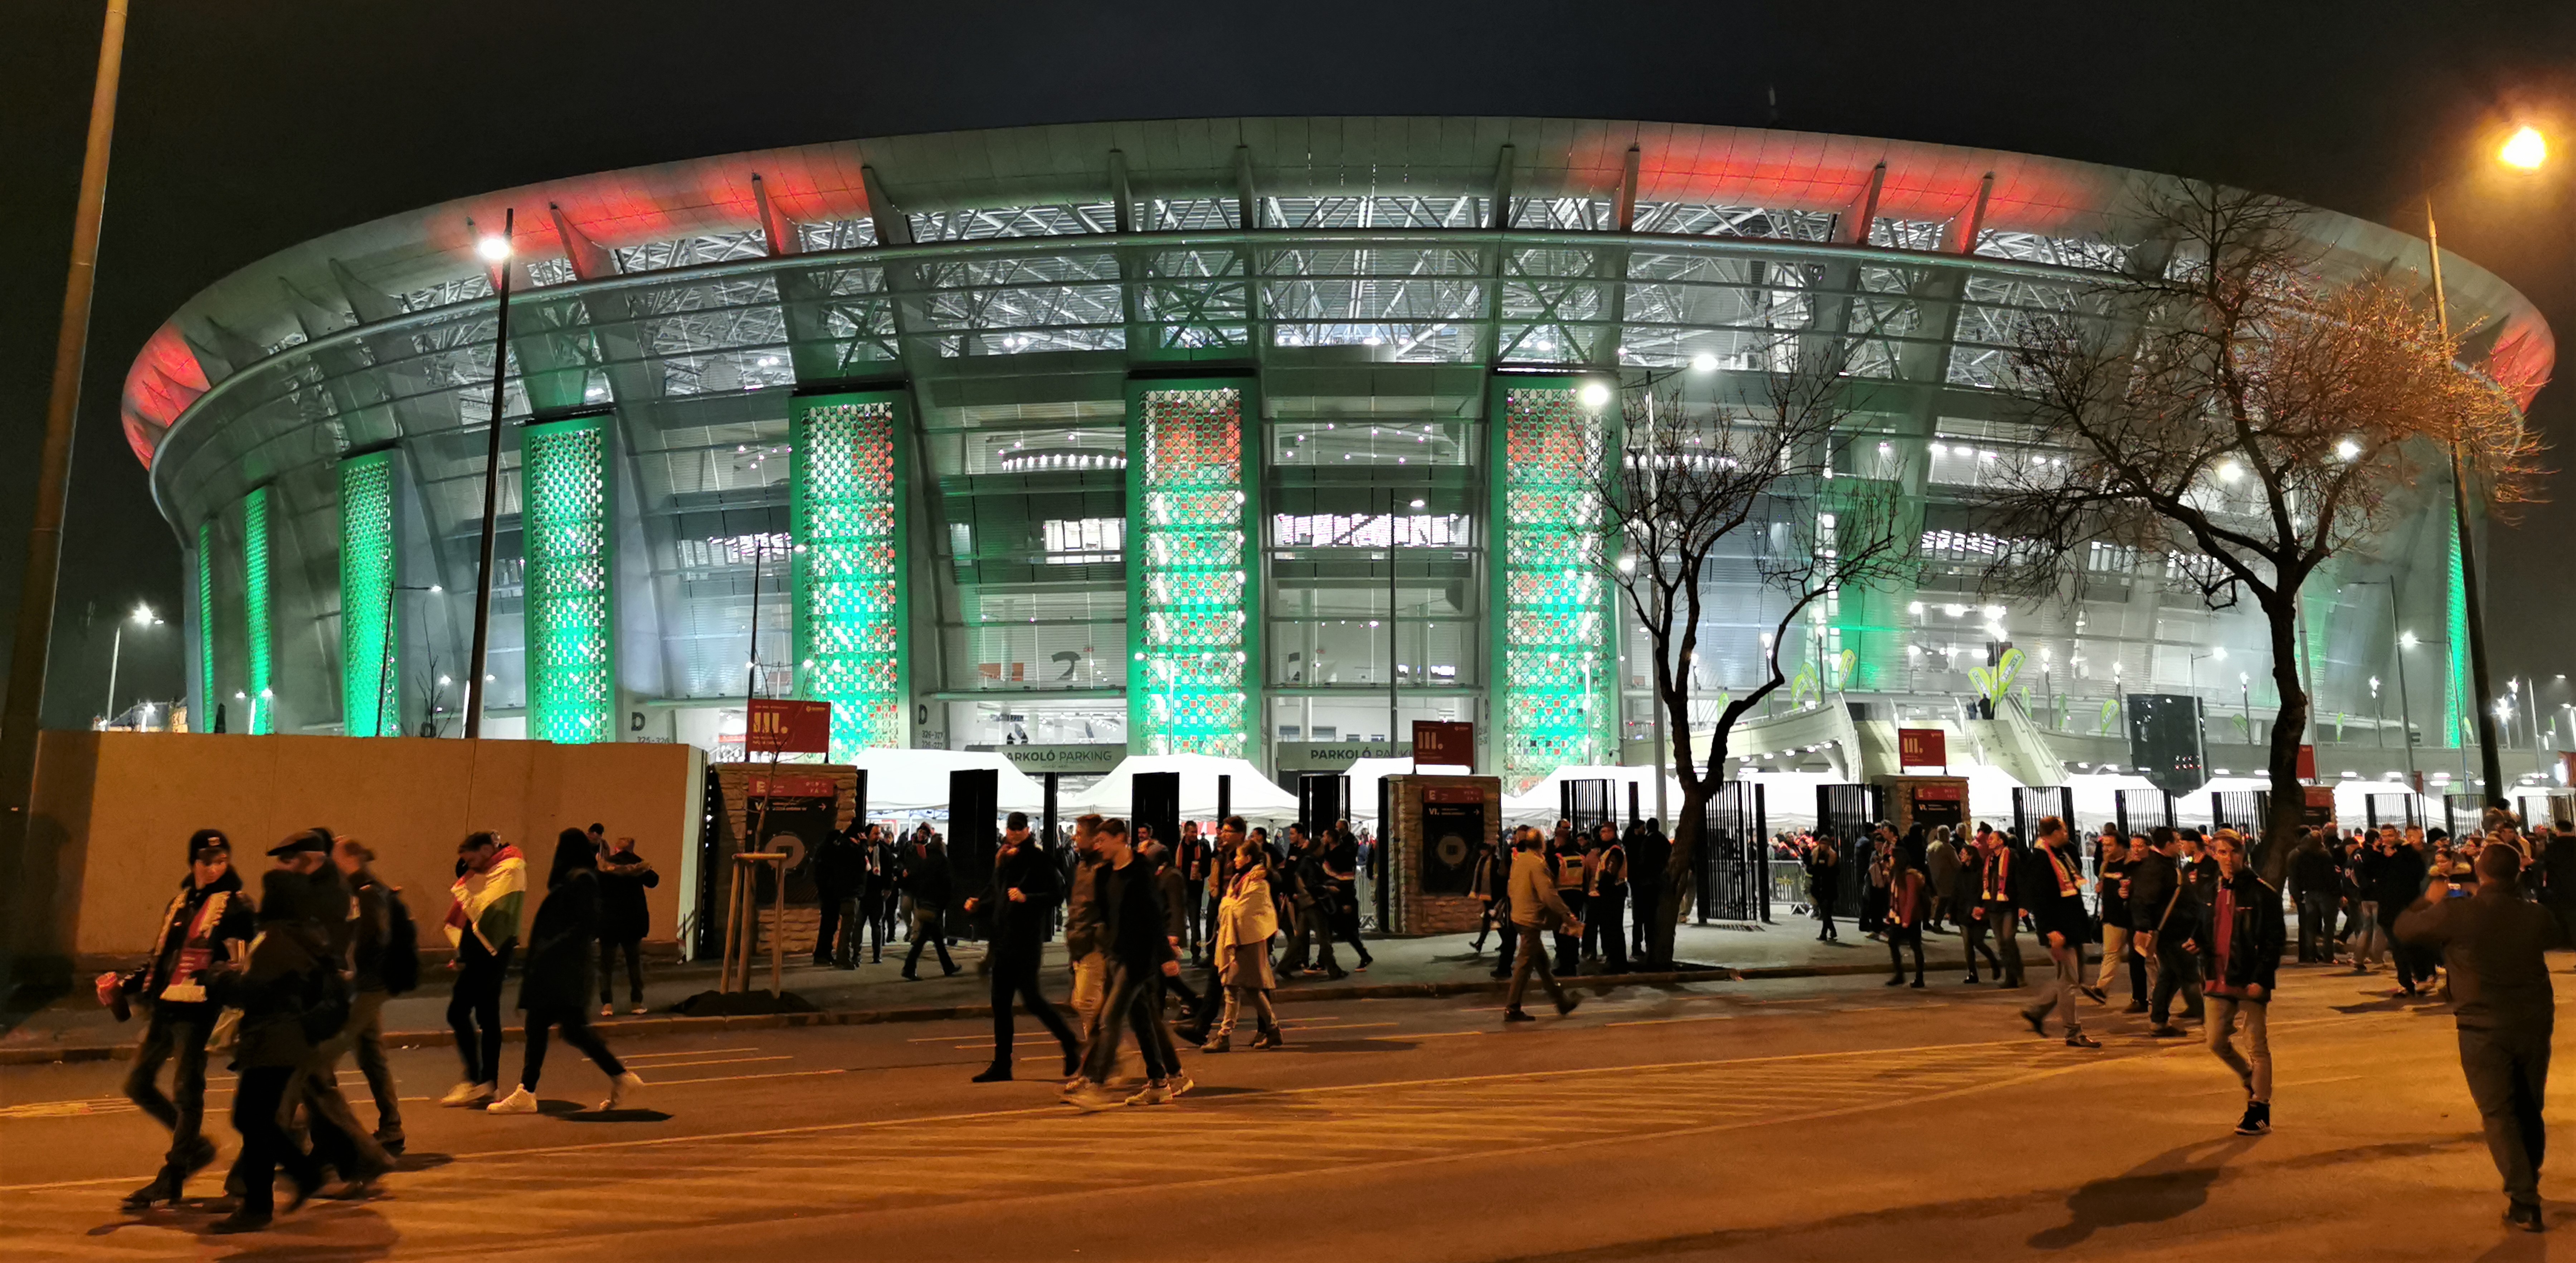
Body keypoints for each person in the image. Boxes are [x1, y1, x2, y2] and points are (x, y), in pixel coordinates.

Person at [2397, 844, 2561, 1232]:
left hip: (2481, 1023)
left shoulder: (2458, 912)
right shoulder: (2534, 914)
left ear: (2479, 873)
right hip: (2532, 1021)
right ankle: (2528, 1177)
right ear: (2517, 874)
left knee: (2497, 1111)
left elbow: (2405, 929)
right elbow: (2551, 935)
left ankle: (2523, 1200)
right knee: (2527, 1105)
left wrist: (2428, 899)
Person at [110, 829, 254, 1210]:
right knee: (138, 1083)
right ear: (193, 862)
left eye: (221, 860)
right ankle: (194, 1148)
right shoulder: (179, 903)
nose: (214, 867)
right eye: (207, 861)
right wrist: (124, 985)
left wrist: (225, 982)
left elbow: (240, 963)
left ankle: (173, 1176)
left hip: (198, 1009)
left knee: (187, 1091)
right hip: (165, 1007)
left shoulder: (236, 905)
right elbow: (160, 960)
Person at [203, 870, 335, 1234]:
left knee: (251, 1119)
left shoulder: (277, 939)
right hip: (286, 1040)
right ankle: (265, 1198)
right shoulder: (302, 934)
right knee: (255, 1120)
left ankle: (283, 1188)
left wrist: (219, 977)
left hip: (273, 1040)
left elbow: (252, 991)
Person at [488, 830, 644, 1115]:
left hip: (562, 970)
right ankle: (619, 1078)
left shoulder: (580, 880)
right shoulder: (578, 879)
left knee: (553, 1027)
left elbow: (580, 926)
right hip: (561, 968)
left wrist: (547, 952)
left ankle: (529, 1091)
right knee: (559, 1028)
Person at [1064, 819, 1190, 1111]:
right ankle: (1162, 1081)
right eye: (1096, 841)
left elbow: (1153, 916)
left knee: (1110, 1017)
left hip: (1139, 958)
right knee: (1143, 1020)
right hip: (1116, 955)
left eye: (1103, 840)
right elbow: (1105, 916)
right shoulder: (1104, 873)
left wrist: (1165, 957)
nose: (1099, 846)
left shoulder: (1140, 871)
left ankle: (1096, 1084)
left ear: (1121, 838)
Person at [965, 812, 1080, 1082]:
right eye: (1011, 828)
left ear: (1028, 830)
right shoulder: (1004, 858)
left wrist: (1027, 898)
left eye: (1019, 829)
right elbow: (997, 893)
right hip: (1003, 940)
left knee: (1033, 1000)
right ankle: (1002, 1064)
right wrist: (978, 905)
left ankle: (1069, 1042)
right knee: (1001, 1003)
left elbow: (1056, 894)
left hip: (1026, 941)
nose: (1014, 833)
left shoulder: (1038, 859)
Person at [2190, 829, 2284, 1136]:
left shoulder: (2261, 893)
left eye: (2232, 852)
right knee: (2215, 1040)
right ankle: (2248, 1076)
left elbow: (2274, 940)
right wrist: (2196, 940)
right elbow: (2207, 924)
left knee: (2257, 1044)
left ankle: (2260, 1108)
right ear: (2213, 855)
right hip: (2217, 976)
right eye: (2220, 852)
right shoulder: (2209, 889)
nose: (2227, 859)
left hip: (2248, 976)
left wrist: (2260, 977)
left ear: (2243, 854)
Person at [439, 831, 525, 1108]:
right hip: (484, 951)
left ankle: (479, 1079)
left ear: (488, 849)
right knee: (485, 1014)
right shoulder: (489, 870)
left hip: (492, 951)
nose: (470, 866)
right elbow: (473, 913)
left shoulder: (509, 868)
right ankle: (486, 1081)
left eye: (473, 858)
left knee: (461, 1011)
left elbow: (487, 911)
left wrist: (468, 953)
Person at [2016, 817, 2099, 1048]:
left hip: (2071, 927)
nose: (2067, 832)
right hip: (2059, 931)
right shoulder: (2041, 861)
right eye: (2063, 829)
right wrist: (2050, 931)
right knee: (2068, 982)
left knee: (2072, 978)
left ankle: (2038, 1011)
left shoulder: (2061, 854)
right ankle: (2073, 1032)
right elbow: (2040, 900)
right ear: (2053, 832)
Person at [1203, 836, 1285, 1053]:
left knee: (1234, 987)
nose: (1234, 861)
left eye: (1238, 857)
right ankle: (1273, 1030)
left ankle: (1224, 1036)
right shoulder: (1242, 878)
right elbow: (1232, 907)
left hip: (1247, 940)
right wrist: (1229, 905)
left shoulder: (1257, 881)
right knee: (1250, 989)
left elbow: (1240, 910)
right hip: (1239, 939)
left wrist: (1228, 904)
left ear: (1248, 857)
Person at [1504, 826, 1582, 1022]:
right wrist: (1566, 914)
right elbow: (1548, 894)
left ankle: (1562, 1003)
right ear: (1541, 845)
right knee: (1524, 965)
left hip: (1519, 916)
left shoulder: (1519, 860)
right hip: (1530, 919)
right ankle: (1512, 1008)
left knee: (1543, 964)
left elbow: (1511, 888)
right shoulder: (1538, 864)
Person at [597, 836, 658, 1010]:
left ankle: (607, 1004)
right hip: (633, 921)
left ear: (616, 849)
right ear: (632, 848)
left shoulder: (606, 866)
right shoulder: (640, 866)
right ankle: (636, 1002)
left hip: (609, 921)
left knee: (606, 965)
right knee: (633, 963)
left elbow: (597, 886)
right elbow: (654, 881)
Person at [901, 827, 959, 979]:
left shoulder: (925, 862)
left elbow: (918, 881)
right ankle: (909, 968)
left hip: (924, 904)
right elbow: (948, 885)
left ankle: (948, 967)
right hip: (935, 906)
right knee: (925, 940)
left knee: (935, 939)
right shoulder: (943, 862)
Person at [804, 823, 864, 969]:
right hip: (830, 895)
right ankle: (822, 954)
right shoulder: (829, 852)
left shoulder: (825, 851)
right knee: (829, 925)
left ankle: (825, 953)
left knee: (830, 925)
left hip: (829, 894)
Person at [1974, 827, 2025, 987]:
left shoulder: (2012, 857)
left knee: (2008, 939)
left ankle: (2014, 975)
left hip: (2009, 906)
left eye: (1992, 839)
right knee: (2002, 943)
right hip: (1994, 907)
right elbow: (1985, 885)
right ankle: (2014, 974)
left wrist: (2023, 905)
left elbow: (2020, 881)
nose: (1989, 841)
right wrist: (1982, 905)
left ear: (2001, 842)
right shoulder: (1989, 860)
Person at [1324, 819, 1374, 971]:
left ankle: (1364, 956)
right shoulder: (1332, 853)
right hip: (1334, 897)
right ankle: (1323, 961)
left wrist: (1346, 901)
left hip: (1342, 897)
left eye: (1326, 837)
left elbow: (1347, 878)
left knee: (1343, 931)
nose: (1323, 839)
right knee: (1329, 931)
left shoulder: (1342, 854)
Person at [2288, 828, 2341, 964]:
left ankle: (2310, 955)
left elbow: (2296, 877)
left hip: (2310, 894)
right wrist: (2338, 893)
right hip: (2327, 894)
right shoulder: (2324, 855)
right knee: (2329, 927)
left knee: (2310, 927)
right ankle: (2329, 955)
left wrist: (2299, 894)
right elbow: (2331, 877)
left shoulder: (2301, 855)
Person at [1585, 822, 1630, 974]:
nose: (1602, 834)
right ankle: (1615, 961)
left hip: (1613, 893)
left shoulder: (1615, 851)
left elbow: (1611, 873)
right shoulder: (1608, 851)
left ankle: (1618, 963)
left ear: (1613, 833)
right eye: (1602, 832)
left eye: (1605, 831)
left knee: (1614, 929)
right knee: (1611, 929)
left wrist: (1600, 889)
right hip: (1610, 893)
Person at [1884, 833, 1927, 988]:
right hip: (1898, 916)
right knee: (1893, 943)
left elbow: (1911, 900)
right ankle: (1900, 974)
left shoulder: (1910, 877)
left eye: (1893, 858)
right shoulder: (1897, 875)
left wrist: (1907, 919)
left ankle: (1919, 977)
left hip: (1911, 918)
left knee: (1916, 947)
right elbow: (1894, 896)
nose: (1891, 860)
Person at [1628, 816, 1670, 960]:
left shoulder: (1645, 842)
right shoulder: (1662, 840)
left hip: (1644, 885)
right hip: (1656, 884)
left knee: (1640, 918)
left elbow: (1642, 862)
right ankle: (1652, 946)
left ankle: (1639, 947)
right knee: (1652, 918)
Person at [1806, 837, 1842, 942]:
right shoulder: (1815, 854)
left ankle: (1824, 933)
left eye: (1826, 844)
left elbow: (1837, 871)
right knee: (1825, 912)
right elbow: (1810, 867)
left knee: (1826, 911)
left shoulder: (1833, 856)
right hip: (1818, 887)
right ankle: (1832, 930)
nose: (1824, 846)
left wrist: (1826, 870)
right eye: (1822, 843)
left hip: (1829, 887)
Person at [1926, 826, 1961, 934]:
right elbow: (1957, 865)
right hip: (1949, 878)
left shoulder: (1931, 847)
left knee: (1943, 901)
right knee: (1947, 901)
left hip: (1935, 877)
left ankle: (1940, 922)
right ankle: (1941, 922)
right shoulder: (1948, 848)